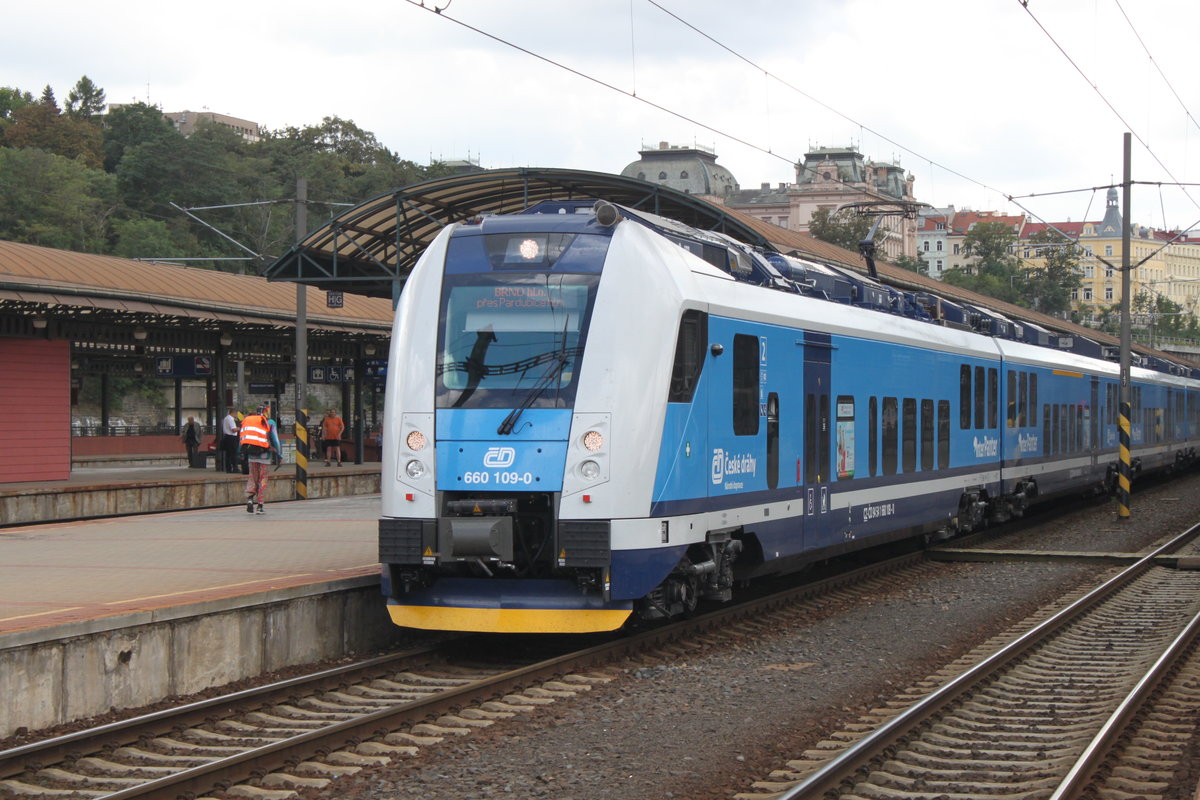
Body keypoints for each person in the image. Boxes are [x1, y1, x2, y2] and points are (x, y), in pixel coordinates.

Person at [239, 403, 281, 514]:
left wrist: (241, 452)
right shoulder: (270, 422)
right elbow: (275, 440)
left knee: (252, 478)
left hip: (251, 455)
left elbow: (242, 437)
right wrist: (279, 455)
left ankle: (249, 499)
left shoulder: (249, 420)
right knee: (263, 480)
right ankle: (260, 506)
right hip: (265, 456)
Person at [221, 407, 240, 473]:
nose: (236, 415)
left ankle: (228, 468)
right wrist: (239, 428)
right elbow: (233, 429)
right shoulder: (231, 419)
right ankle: (235, 468)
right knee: (234, 454)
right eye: (236, 414)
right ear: (233, 413)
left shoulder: (226, 418)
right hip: (232, 437)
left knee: (228, 454)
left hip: (226, 437)